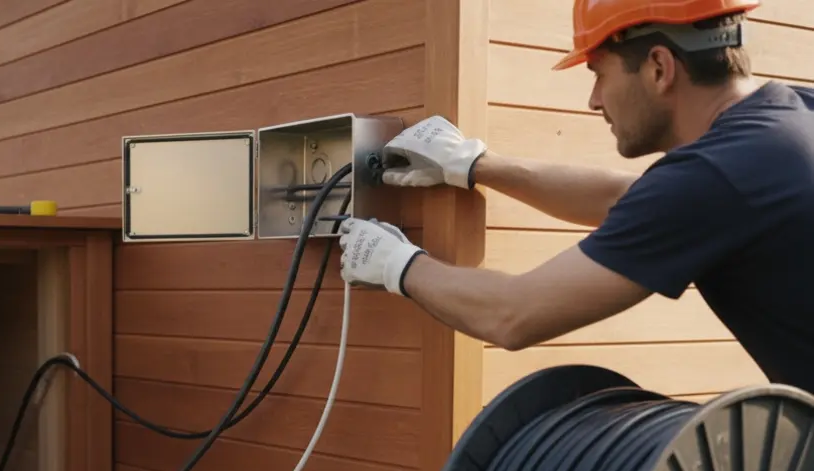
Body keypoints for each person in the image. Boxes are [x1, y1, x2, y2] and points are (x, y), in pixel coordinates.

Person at [338, 0, 814, 393]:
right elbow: (629, 200)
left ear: (659, 68)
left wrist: (397, 264)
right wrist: (475, 164)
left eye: (599, 73)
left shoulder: (717, 176)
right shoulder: (788, 120)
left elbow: (513, 313)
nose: (593, 100)